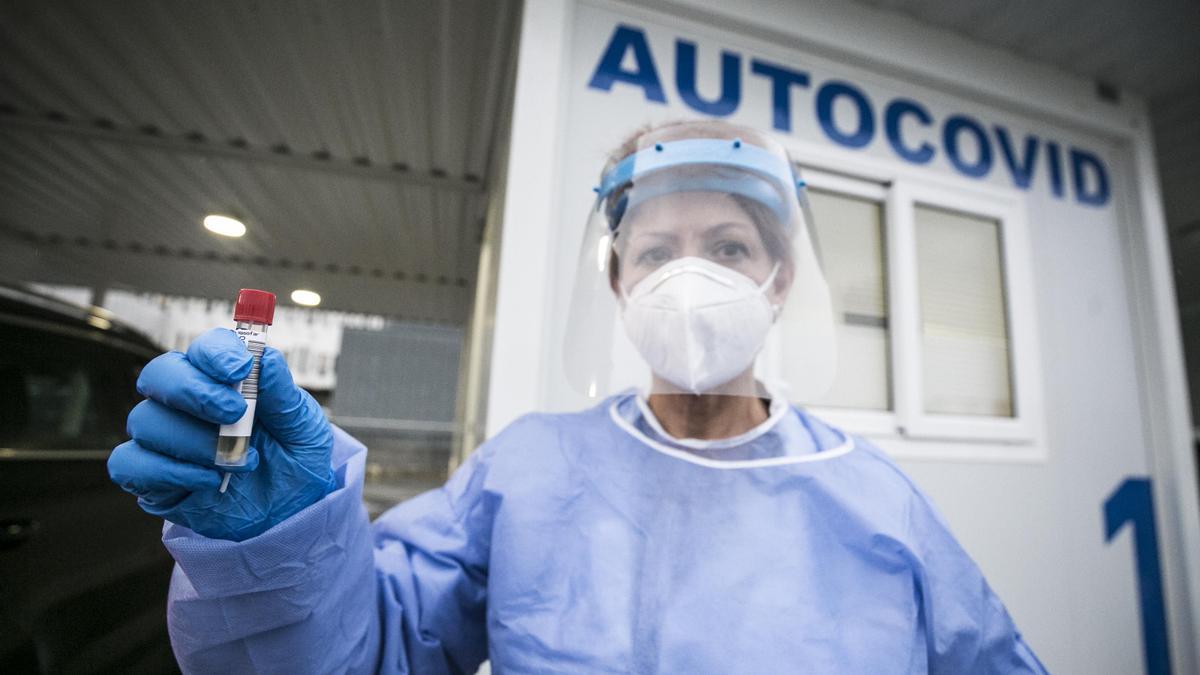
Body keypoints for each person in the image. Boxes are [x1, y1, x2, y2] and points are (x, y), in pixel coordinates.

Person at [108, 120, 1048, 674]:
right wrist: (284, 548)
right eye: (655, 251)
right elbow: (366, 655)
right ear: (618, 284)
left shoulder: (875, 502)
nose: (690, 278)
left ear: (779, 281)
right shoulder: (531, 471)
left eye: (727, 248)